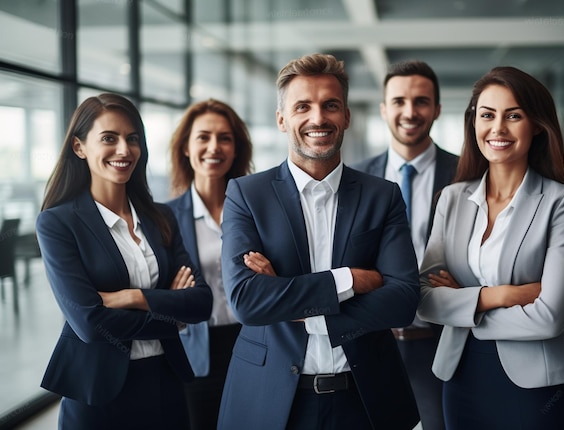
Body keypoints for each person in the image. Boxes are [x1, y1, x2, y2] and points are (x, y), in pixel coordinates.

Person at [218, 53, 421, 430]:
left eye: (330, 105)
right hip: (269, 401)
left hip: (365, 401)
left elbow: (403, 302)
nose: (318, 118)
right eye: (302, 107)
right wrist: (350, 281)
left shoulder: (383, 195)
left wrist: (284, 294)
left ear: (346, 116)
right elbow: (247, 302)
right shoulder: (247, 195)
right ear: (282, 119)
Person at [416, 66, 564, 429]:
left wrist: (464, 303)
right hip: (459, 376)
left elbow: (550, 316)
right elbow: (424, 298)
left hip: (534, 385)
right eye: (487, 115)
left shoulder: (561, 202)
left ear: (537, 125)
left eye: (514, 116)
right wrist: (502, 295)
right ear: (473, 122)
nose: (498, 129)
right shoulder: (452, 198)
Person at [36, 93, 213, 430]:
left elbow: (201, 303)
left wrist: (134, 297)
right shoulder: (58, 223)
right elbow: (89, 323)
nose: (124, 149)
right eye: (109, 138)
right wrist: (171, 316)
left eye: (132, 139)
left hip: (166, 380)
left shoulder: (161, 217)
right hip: (98, 392)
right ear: (79, 147)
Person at [352, 60, 458, 430]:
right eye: (398, 101)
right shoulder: (357, 178)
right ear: (384, 109)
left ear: (437, 109)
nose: (410, 112)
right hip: (373, 337)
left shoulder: (468, 175)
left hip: (441, 337)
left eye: (421, 101)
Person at [167, 98, 253, 429]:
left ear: (236, 148)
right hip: (196, 351)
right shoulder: (165, 218)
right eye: (203, 137)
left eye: (224, 138)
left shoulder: (255, 210)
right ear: (187, 147)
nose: (214, 147)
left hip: (253, 343)